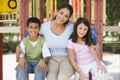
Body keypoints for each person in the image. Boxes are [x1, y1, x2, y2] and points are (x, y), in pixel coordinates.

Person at [16, 3, 74, 80]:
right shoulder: (45, 27)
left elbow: (86, 30)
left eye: (66, 16)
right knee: (51, 78)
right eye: (61, 13)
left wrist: (94, 44)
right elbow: (30, 33)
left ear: (68, 18)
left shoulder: (71, 28)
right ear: (57, 12)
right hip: (50, 59)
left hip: (67, 58)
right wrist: (18, 46)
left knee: (62, 78)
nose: (62, 17)